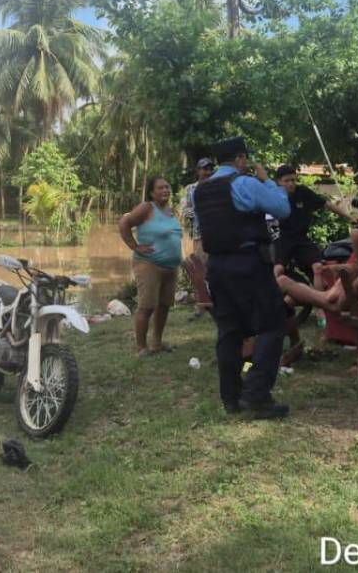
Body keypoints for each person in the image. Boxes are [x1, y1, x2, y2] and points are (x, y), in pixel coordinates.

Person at [193, 136, 292, 420]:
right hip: (247, 263)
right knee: (273, 323)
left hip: (218, 267)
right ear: (239, 159)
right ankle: (257, 394)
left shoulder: (201, 191)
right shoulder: (246, 183)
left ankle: (231, 397)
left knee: (229, 331)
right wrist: (267, 182)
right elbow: (282, 209)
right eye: (246, 159)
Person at [118, 176, 183, 357]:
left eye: (167, 187)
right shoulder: (146, 208)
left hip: (171, 267)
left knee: (164, 306)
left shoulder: (170, 211)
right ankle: (141, 347)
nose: (165, 191)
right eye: (160, 188)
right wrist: (135, 246)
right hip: (149, 264)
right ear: (152, 193)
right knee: (147, 306)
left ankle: (157, 343)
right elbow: (124, 222)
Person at [272, 165, 328, 276]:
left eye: (293, 180)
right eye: (286, 181)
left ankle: (321, 294)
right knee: (278, 269)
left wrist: (348, 216)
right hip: (283, 239)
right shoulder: (273, 195)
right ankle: (270, 291)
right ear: (279, 182)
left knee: (318, 268)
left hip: (302, 239)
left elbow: (326, 204)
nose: (291, 184)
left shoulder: (303, 192)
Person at [181, 158, 216, 256]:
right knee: (202, 265)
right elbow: (185, 209)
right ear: (198, 171)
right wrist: (190, 212)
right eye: (205, 169)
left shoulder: (217, 186)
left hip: (217, 234)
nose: (208, 172)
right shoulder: (190, 189)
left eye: (210, 169)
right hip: (199, 236)